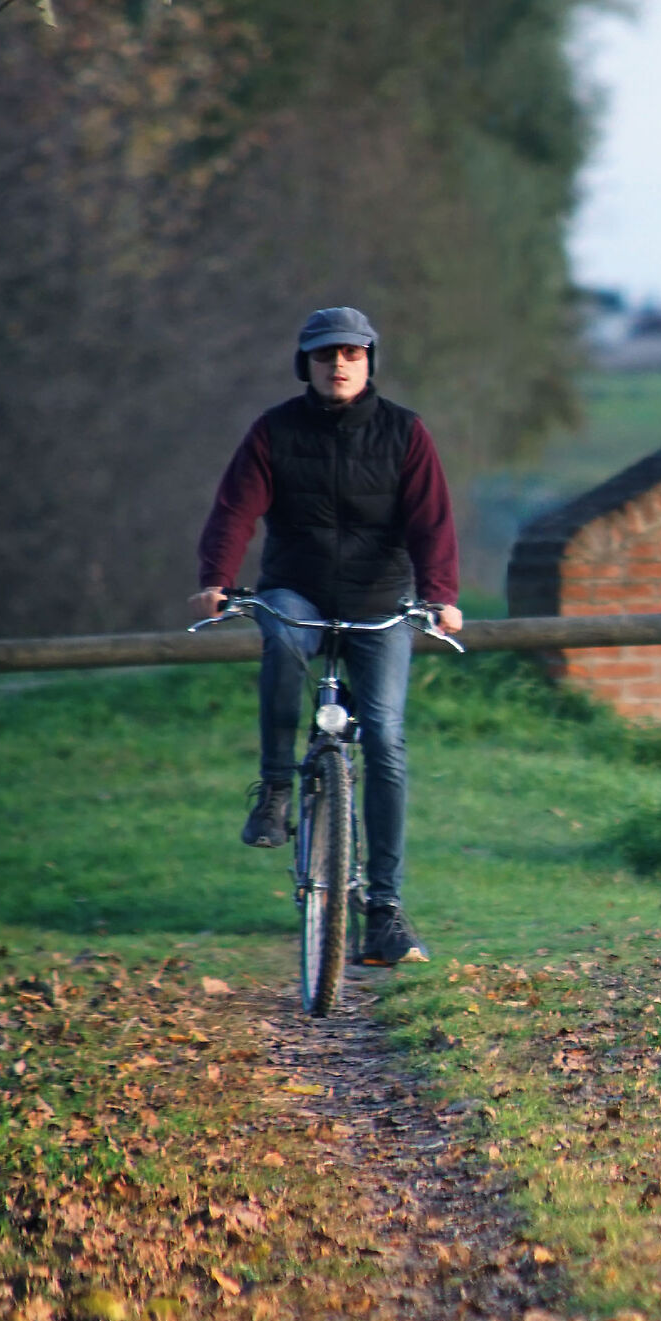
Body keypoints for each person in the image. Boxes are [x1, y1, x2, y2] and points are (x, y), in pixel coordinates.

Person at [190, 307, 462, 968]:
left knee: (388, 740)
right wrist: (217, 580)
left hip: (379, 598)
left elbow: (432, 521)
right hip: (297, 587)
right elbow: (235, 508)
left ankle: (387, 913)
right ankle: (277, 790)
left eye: (350, 353)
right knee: (280, 638)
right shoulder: (273, 432)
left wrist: (442, 597)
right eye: (323, 355)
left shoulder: (405, 434)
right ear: (305, 364)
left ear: (370, 360)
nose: (337, 365)